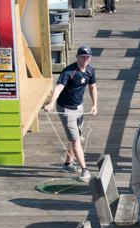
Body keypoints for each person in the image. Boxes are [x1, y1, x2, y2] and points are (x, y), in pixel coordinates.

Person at [43, 45, 98, 182]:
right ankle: (85, 170)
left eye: (88, 57)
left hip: (79, 107)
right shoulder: (69, 71)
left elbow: (92, 86)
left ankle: (67, 164)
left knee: (76, 137)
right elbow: (59, 87)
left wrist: (94, 105)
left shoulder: (90, 70)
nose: (86, 60)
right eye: (83, 57)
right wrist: (50, 103)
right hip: (66, 109)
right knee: (76, 140)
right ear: (77, 57)